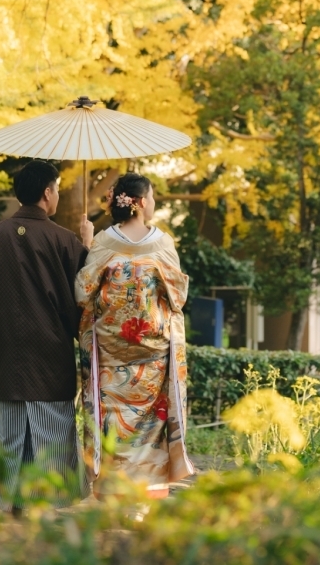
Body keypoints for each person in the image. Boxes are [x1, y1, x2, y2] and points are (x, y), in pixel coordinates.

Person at [0, 158, 94, 510]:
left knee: (7, 432)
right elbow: (88, 297)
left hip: (5, 357)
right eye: (58, 189)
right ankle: (50, 498)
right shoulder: (64, 240)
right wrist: (88, 247)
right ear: (47, 193)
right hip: (50, 358)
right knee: (52, 432)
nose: (58, 195)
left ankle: (10, 499)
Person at [75, 172, 195, 495]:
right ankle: (143, 497)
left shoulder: (103, 241)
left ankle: (113, 493)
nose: (153, 203)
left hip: (111, 357)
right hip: (152, 358)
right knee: (149, 430)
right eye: (152, 197)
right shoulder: (162, 243)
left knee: (112, 425)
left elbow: (82, 292)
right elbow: (178, 296)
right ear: (141, 203)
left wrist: (86, 246)